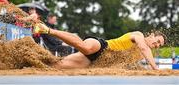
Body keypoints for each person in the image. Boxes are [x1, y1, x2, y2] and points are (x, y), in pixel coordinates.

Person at [34, 23, 165, 70]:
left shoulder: (138, 56)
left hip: (95, 62)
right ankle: (47, 30)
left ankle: (31, 61)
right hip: (101, 46)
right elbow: (144, 47)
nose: (157, 45)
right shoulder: (139, 35)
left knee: (57, 66)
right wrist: (155, 68)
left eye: (159, 45)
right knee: (85, 47)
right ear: (152, 35)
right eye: (158, 41)